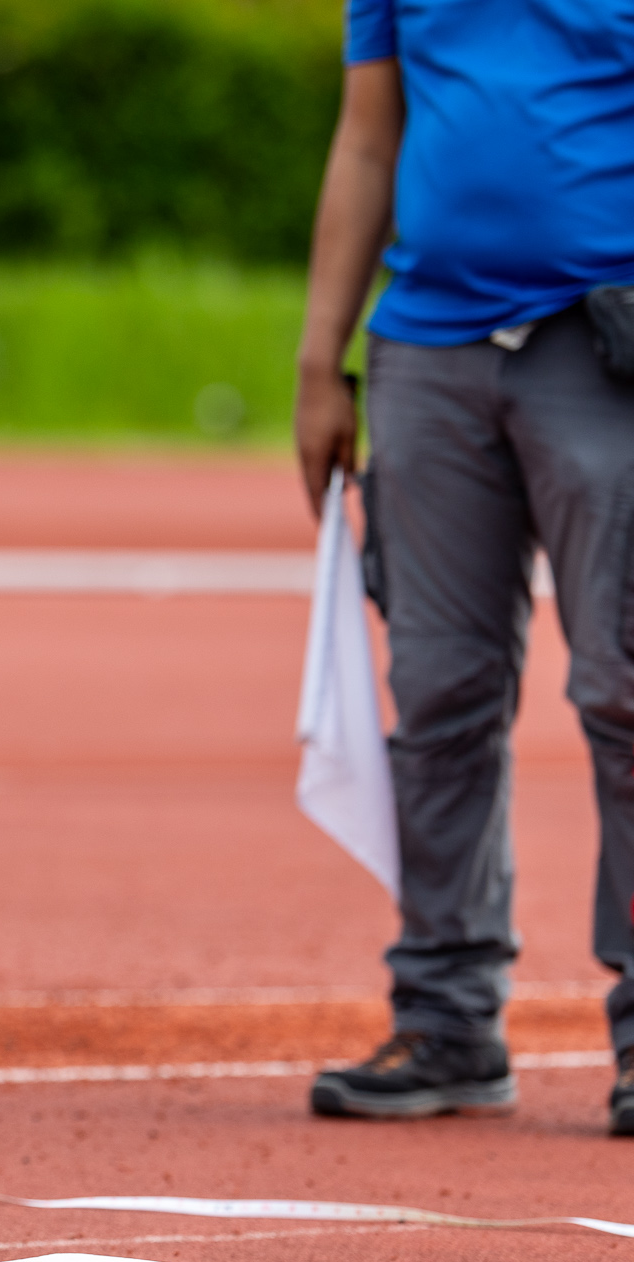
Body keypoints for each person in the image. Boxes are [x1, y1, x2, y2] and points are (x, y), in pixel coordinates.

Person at [293, 0, 634, 1134]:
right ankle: (444, 1019)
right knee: (436, 693)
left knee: (623, 690)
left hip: (603, 338)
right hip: (425, 348)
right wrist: (317, 360)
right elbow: (365, 135)